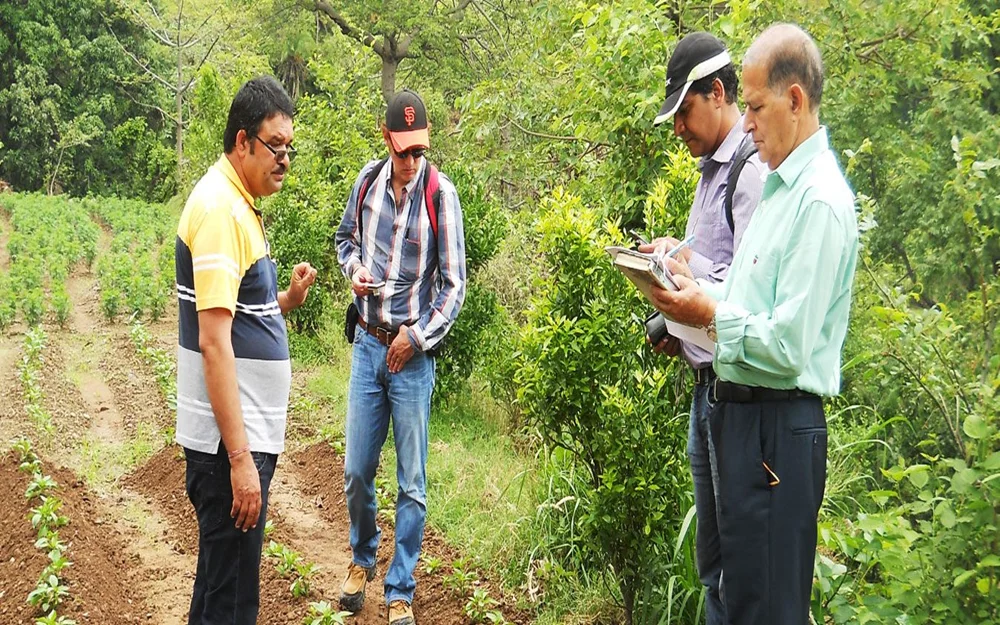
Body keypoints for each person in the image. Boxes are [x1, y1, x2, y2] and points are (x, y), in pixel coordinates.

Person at [649, 24, 859, 625]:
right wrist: (689, 289)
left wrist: (706, 313)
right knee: (739, 596)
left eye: (758, 107)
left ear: (795, 101)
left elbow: (788, 345)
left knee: (767, 608)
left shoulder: (817, 202)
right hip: (743, 416)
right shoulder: (782, 190)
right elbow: (748, 296)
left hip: (777, 422)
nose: (747, 123)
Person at [174, 75, 317, 625]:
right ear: (242, 142)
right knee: (233, 605)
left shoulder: (237, 203)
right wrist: (239, 460)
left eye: (289, 148)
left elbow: (232, 319)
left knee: (218, 588)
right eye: (274, 146)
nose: (284, 159)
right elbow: (213, 344)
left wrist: (282, 301)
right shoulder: (219, 212)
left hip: (235, 440)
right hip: (226, 445)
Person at [642, 31, 765, 625]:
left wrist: (691, 288)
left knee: (741, 575)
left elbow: (752, 292)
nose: (678, 128)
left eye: (684, 111)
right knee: (712, 565)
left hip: (741, 399)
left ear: (717, 93)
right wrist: (674, 262)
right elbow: (719, 263)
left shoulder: (751, 170)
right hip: (706, 391)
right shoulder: (709, 172)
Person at [334, 89, 466, 625]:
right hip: (368, 343)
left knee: (412, 481)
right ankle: (362, 557)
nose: (410, 162)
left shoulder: (441, 195)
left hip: (412, 355)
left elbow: (454, 286)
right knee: (356, 472)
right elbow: (343, 239)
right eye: (402, 151)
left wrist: (420, 335)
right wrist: (352, 271)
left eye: (418, 151)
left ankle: (400, 588)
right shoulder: (366, 184)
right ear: (386, 139)